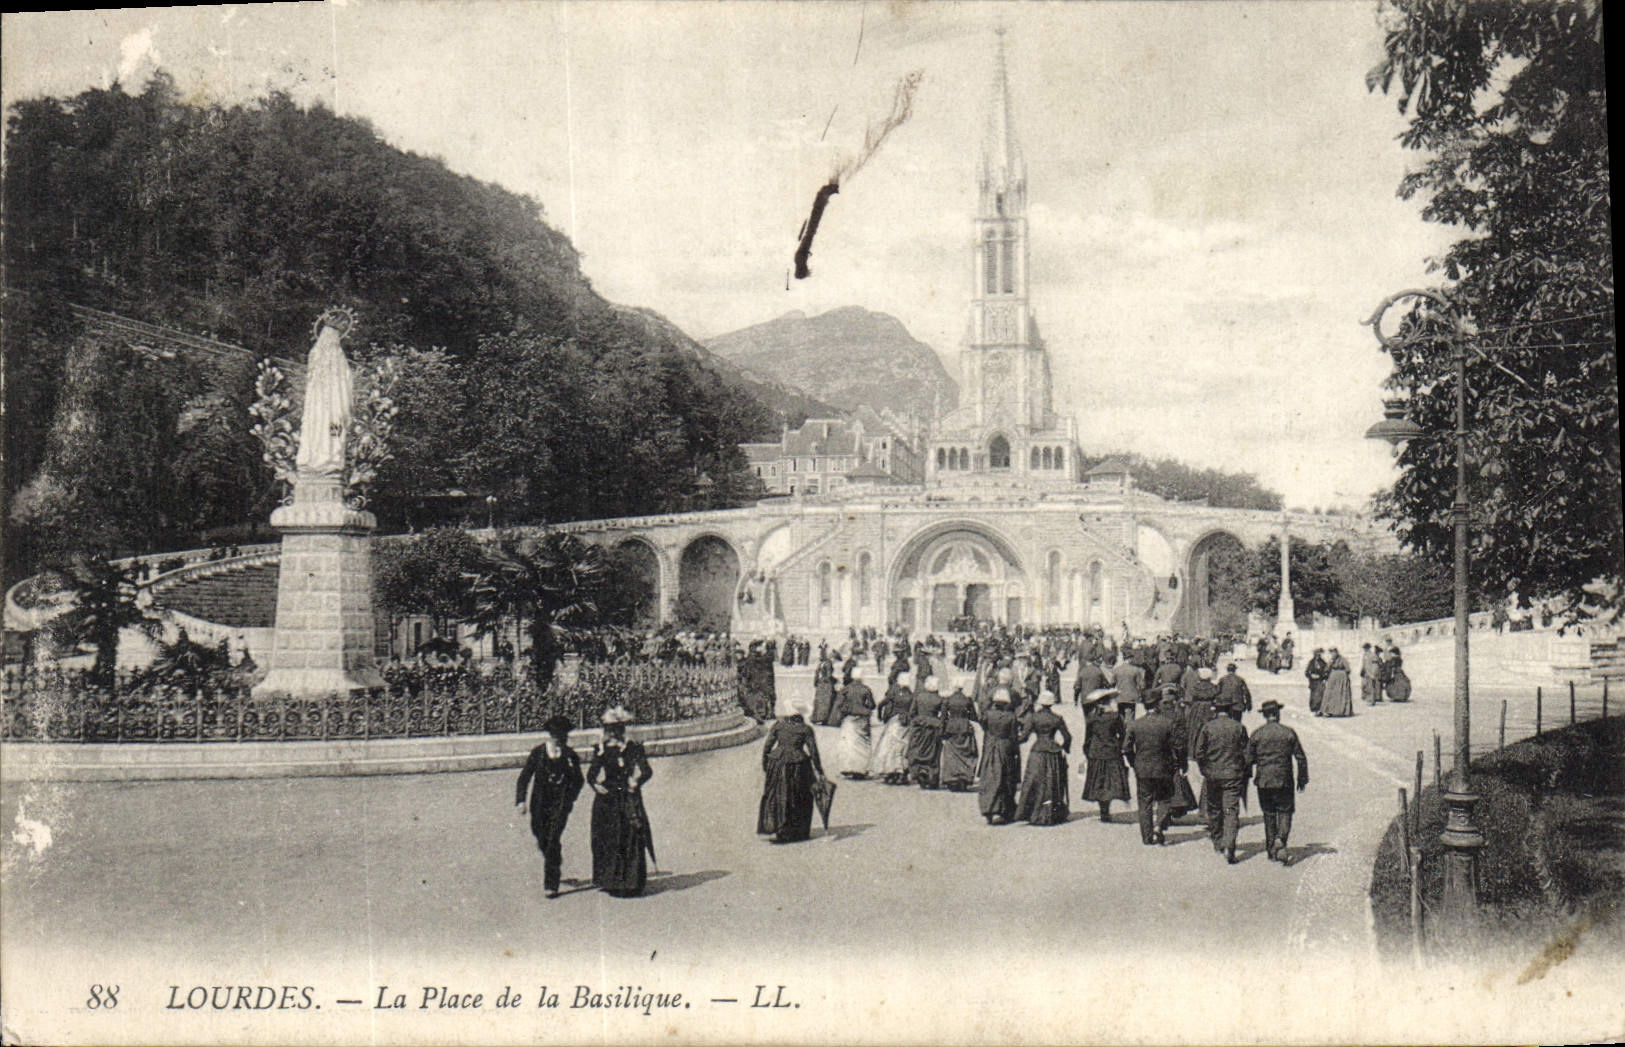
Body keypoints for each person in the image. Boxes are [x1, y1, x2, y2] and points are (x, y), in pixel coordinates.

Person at [515, 714, 585, 898]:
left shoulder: (570, 755)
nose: (560, 740)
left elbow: (579, 780)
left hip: (560, 805)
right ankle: (554, 856)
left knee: (553, 839)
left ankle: (551, 884)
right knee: (541, 836)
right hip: (539, 803)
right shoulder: (538, 753)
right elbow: (524, 777)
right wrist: (520, 801)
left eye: (564, 736)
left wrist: (570, 799)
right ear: (551, 736)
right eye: (557, 736)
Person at [588, 706, 654, 896]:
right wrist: (596, 785)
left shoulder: (633, 747)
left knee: (631, 836)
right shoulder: (601, 749)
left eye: (618, 728)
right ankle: (611, 881)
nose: (614, 733)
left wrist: (637, 781)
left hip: (628, 795)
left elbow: (647, 771)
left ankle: (631, 882)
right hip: (608, 799)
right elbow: (591, 775)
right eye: (610, 729)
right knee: (610, 838)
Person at [1247, 700, 1309, 862]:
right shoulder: (1288, 732)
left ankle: (1271, 850)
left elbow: (1248, 759)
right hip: (1284, 779)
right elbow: (1300, 757)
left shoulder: (1257, 734)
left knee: (1269, 814)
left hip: (1263, 781)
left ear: (1265, 715)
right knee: (1285, 811)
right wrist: (1302, 779)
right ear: (1278, 714)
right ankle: (1281, 840)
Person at [758, 703, 826, 843]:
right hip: (798, 765)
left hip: (777, 763)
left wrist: (765, 764)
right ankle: (798, 831)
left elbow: (768, 746)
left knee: (778, 796)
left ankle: (780, 829)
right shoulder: (805, 729)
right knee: (799, 796)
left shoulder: (778, 725)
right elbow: (813, 751)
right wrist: (819, 770)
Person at [1123, 689, 1182, 845]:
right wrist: (1179, 764)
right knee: (1164, 798)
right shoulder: (1167, 723)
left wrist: (1134, 763)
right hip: (1163, 767)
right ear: (1157, 704)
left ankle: (1147, 837)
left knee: (1144, 802)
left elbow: (1126, 748)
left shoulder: (1135, 725)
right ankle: (1159, 826)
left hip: (1142, 768)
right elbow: (1177, 746)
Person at [1194, 701, 1249, 863]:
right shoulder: (1238, 727)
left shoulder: (1208, 727)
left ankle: (1218, 841)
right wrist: (1241, 770)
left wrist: (1205, 769)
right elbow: (1246, 752)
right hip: (1233, 775)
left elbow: (1199, 753)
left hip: (1213, 775)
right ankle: (1230, 843)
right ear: (1230, 711)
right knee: (1231, 810)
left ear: (1215, 711)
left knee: (1214, 809)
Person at [1015, 691, 1072, 825]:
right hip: (1053, 751)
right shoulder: (1057, 718)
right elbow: (1068, 737)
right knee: (1053, 782)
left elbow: (1024, 737)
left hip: (1038, 750)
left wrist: (1014, 741)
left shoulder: (1034, 717)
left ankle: (1032, 812)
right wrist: (1065, 748)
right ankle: (1052, 813)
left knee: (1033, 782)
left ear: (1040, 702)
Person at [1080, 688, 1130, 823]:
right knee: (1111, 781)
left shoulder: (1091, 719)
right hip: (1112, 752)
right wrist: (1119, 746)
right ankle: (1106, 809)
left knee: (1099, 781)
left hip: (1096, 753)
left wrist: (1086, 752)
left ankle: (1104, 810)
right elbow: (1123, 735)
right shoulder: (1115, 717)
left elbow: (1088, 738)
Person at [977, 688, 1024, 825]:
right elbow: (1014, 737)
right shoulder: (1011, 717)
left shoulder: (988, 715)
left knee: (989, 778)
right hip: (1005, 748)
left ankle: (988, 808)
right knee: (1005, 779)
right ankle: (1004, 809)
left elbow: (983, 725)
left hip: (991, 747)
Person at [868, 670, 913, 783]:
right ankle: (901, 769)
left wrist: (880, 714)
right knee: (902, 746)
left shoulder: (894, 691)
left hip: (895, 721)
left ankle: (890, 770)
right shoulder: (910, 694)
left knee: (888, 745)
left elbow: (882, 703)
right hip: (906, 722)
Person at [938, 675, 980, 791]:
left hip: (951, 728)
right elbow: (974, 716)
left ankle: (952, 777)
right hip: (965, 727)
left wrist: (941, 732)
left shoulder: (948, 700)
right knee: (966, 753)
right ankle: (965, 777)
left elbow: (943, 718)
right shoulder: (967, 700)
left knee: (951, 755)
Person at [835, 664, 876, 779]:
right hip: (862, 719)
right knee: (863, 745)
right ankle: (861, 769)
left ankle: (847, 768)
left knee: (848, 744)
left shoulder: (846, 689)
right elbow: (872, 705)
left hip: (849, 718)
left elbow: (839, 703)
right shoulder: (866, 689)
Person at [906, 674, 946, 789]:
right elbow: (943, 717)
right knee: (933, 753)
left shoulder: (919, 697)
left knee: (918, 749)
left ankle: (919, 772)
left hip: (919, 726)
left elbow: (912, 713)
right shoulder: (939, 699)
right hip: (933, 727)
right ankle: (932, 777)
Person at [1320, 648, 1354, 717]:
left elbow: (1348, 669)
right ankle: (1329, 710)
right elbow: (1327, 668)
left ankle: (1343, 711)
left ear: (1337, 652)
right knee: (1330, 694)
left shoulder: (1343, 659)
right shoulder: (1331, 660)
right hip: (1332, 679)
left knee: (1341, 693)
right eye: (1331, 653)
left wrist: (1343, 675)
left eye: (1334, 652)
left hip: (1342, 679)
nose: (1333, 654)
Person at [811, 654, 838, 725]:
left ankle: (815, 718)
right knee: (826, 702)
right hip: (826, 685)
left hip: (820, 684)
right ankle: (824, 719)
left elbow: (816, 674)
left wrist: (816, 683)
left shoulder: (820, 664)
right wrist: (835, 680)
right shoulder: (829, 663)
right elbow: (829, 675)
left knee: (818, 701)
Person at [1304, 649, 1329, 715]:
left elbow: (1326, 671)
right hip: (1313, 682)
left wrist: (1322, 677)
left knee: (1320, 695)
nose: (1317, 656)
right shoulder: (1311, 662)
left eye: (1319, 654)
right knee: (1314, 696)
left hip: (1320, 681)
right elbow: (1306, 672)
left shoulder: (1323, 662)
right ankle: (1314, 709)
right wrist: (1311, 676)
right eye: (1316, 654)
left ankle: (1320, 709)